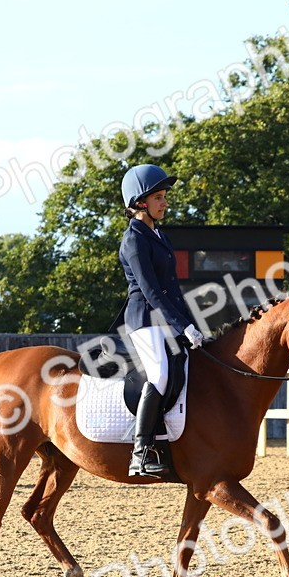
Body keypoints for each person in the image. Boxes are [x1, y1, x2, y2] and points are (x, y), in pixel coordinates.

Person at [111, 164, 205, 478]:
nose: (165, 203)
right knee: (160, 374)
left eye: (164, 196)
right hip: (144, 320)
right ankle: (139, 455)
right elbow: (151, 290)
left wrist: (192, 323)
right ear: (140, 202)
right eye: (159, 197)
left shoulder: (157, 234)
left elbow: (173, 290)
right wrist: (181, 326)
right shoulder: (134, 239)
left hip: (164, 319)